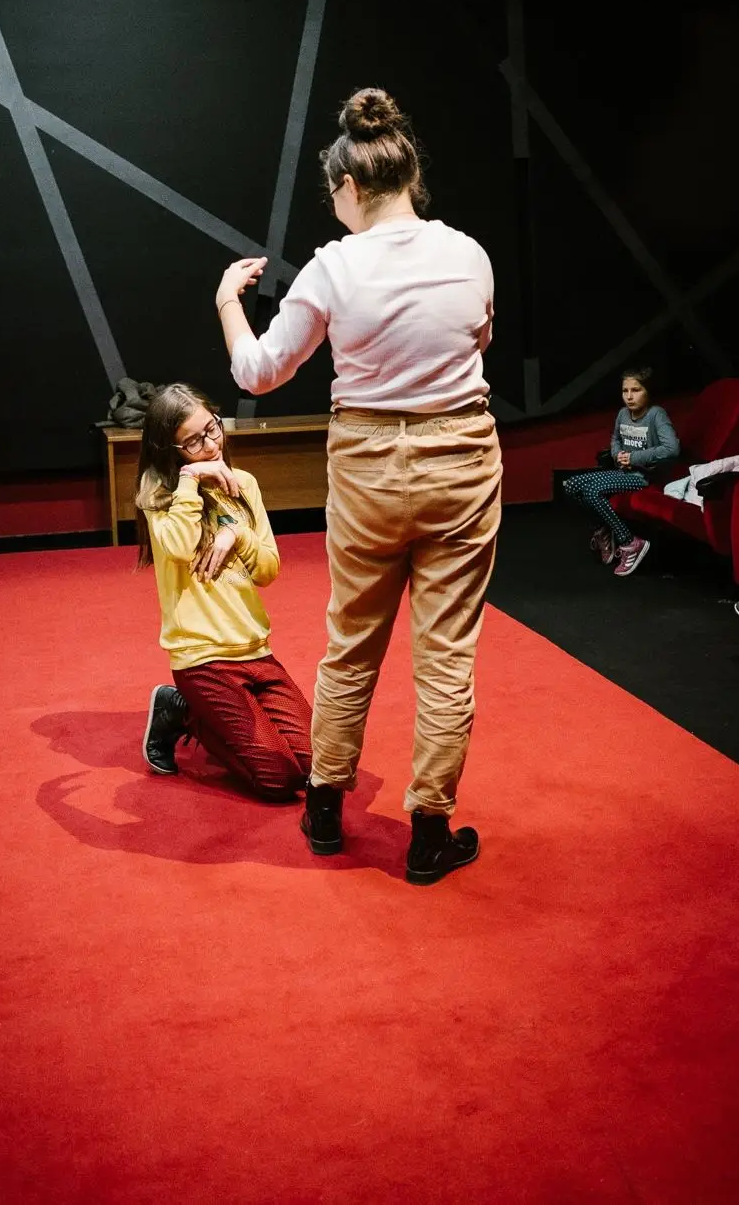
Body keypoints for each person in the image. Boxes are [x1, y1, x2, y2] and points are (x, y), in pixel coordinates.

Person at [213, 86, 502, 886]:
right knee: (446, 657)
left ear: (348, 185)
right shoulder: (469, 254)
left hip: (368, 467)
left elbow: (258, 373)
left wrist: (227, 302)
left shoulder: (331, 267)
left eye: (331, 195)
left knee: (350, 645)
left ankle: (324, 807)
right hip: (460, 459)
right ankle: (428, 831)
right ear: (410, 176)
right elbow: (477, 338)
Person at [134, 382, 312, 801]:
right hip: (203, 657)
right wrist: (191, 479)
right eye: (193, 442)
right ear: (170, 450)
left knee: (316, 765)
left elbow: (268, 570)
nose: (211, 445)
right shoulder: (157, 490)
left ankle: (199, 711)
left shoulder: (245, 484)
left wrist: (237, 535)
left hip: (256, 650)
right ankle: (185, 712)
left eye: (212, 428)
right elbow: (179, 547)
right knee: (278, 778)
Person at [562, 367, 680, 577]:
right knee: (571, 485)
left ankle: (630, 542)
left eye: (636, 390)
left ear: (647, 391)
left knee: (592, 491)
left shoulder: (656, 415)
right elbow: (615, 440)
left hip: (643, 477)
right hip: (623, 473)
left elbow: (672, 448)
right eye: (625, 391)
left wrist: (634, 458)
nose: (629, 396)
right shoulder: (622, 414)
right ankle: (604, 530)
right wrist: (618, 456)